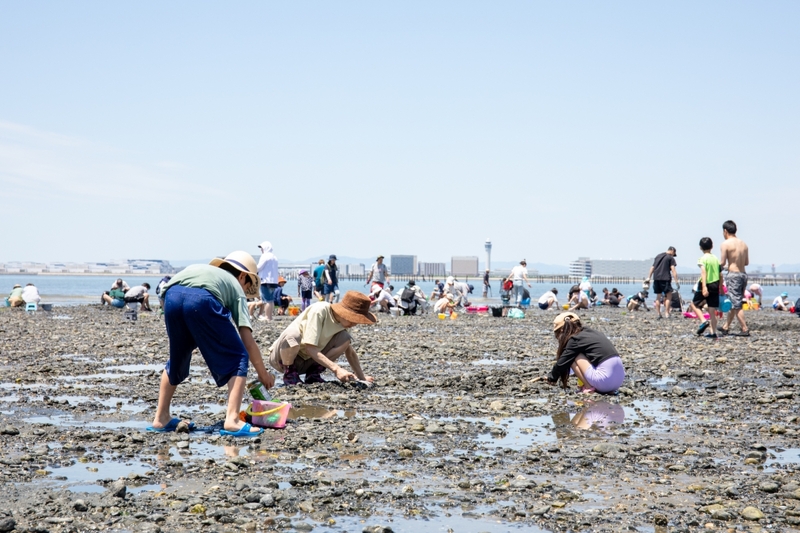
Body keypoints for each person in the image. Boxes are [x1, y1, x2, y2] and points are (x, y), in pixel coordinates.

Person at [149, 251, 274, 437]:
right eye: (247, 286)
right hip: (203, 299)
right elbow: (247, 340)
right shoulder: (235, 287)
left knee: (178, 356)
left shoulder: (205, 271)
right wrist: (263, 374)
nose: (245, 292)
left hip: (171, 297)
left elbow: (172, 291)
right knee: (238, 357)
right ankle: (232, 420)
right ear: (242, 276)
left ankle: (161, 418)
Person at [268, 291, 376, 386]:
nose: (354, 324)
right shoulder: (320, 310)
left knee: (345, 338)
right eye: (353, 319)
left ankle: (313, 374)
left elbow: (350, 352)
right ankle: (290, 374)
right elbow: (310, 348)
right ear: (344, 313)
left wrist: (361, 378)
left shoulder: (345, 324)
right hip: (282, 358)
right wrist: (337, 369)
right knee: (293, 335)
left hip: (308, 362)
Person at [546, 312, 625, 394]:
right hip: (618, 382)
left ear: (561, 331)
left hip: (604, 382)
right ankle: (588, 384)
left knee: (573, 356)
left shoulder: (574, 339)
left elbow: (562, 362)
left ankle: (588, 387)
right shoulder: (592, 333)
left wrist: (552, 377)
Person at [719, 221, 750, 337]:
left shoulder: (725, 244)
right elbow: (746, 262)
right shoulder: (744, 244)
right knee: (734, 300)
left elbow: (722, 262)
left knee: (736, 304)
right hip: (743, 274)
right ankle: (725, 327)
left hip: (734, 275)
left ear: (725, 231)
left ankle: (744, 328)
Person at [690, 237, 721, 339]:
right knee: (712, 310)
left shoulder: (702, 259)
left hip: (706, 283)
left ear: (700, 248)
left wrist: (703, 287)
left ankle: (703, 321)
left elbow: (703, 272)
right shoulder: (716, 258)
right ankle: (713, 332)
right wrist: (720, 287)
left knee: (694, 304)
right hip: (715, 284)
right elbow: (720, 274)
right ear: (712, 246)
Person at [647, 246, 678, 319]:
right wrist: (676, 281)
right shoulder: (670, 258)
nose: (673, 255)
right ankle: (667, 313)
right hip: (665, 278)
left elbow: (652, 267)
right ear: (672, 251)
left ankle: (659, 314)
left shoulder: (658, 256)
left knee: (658, 296)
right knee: (669, 295)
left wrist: (649, 277)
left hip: (656, 278)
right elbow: (673, 270)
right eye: (674, 254)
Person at [255, 241, 279, 322]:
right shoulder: (274, 257)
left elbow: (259, 268)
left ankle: (267, 317)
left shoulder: (264, 256)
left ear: (265, 248)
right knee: (271, 299)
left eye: (261, 248)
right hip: (274, 281)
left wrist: (252, 268)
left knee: (266, 300)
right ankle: (270, 316)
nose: (261, 250)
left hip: (265, 280)